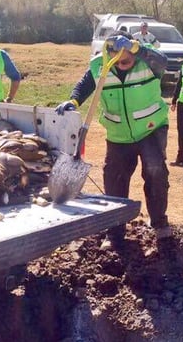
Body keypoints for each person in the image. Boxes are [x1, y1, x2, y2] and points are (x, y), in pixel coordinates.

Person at [55, 31, 172, 240]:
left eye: (126, 55)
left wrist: (139, 49)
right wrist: (74, 101)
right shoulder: (100, 65)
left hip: (150, 129)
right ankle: (115, 231)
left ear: (134, 49)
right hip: (118, 134)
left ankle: (159, 223)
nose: (121, 60)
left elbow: (163, 62)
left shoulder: (148, 60)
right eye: (116, 54)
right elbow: (85, 84)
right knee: (114, 178)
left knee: (155, 171)